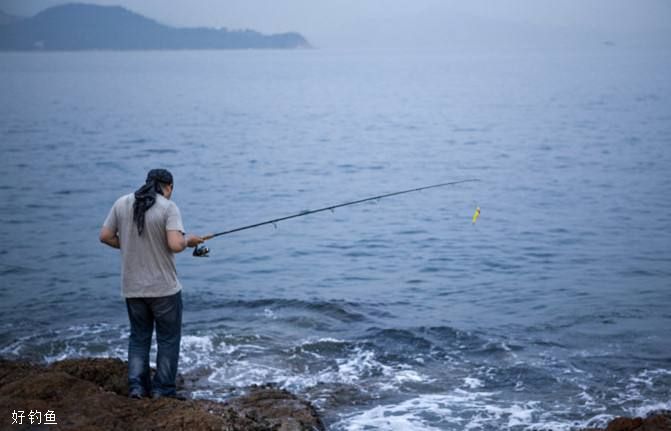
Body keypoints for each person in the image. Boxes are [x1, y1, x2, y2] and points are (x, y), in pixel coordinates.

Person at [99, 168, 205, 399]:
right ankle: (162, 390)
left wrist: (127, 245)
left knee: (139, 338)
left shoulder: (122, 203)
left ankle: (137, 387)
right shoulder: (168, 207)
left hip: (132, 288)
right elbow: (175, 244)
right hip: (163, 289)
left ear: (147, 183)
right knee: (167, 339)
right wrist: (190, 240)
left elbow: (105, 236)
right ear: (168, 187)